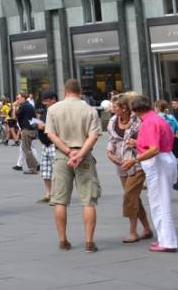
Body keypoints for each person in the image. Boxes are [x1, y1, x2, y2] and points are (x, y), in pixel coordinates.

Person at [45, 79, 102, 253]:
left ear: (65, 91)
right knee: (88, 200)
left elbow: (50, 134)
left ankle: (63, 240)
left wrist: (69, 152)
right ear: (80, 91)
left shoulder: (53, 109)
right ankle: (89, 242)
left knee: (60, 200)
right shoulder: (90, 110)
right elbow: (93, 136)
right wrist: (80, 153)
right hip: (84, 156)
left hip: (63, 156)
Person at [123, 95, 178, 253]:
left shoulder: (149, 122)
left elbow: (154, 149)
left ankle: (167, 241)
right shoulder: (157, 119)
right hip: (165, 159)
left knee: (160, 202)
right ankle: (164, 239)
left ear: (135, 110)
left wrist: (134, 160)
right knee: (160, 201)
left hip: (158, 162)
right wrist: (138, 143)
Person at [105, 93, 153, 243]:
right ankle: (146, 228)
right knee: (134, 197)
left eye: (115, 107)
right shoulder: (113, 121)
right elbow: (111, 139)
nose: (112, 110)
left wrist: (137, 142)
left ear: (125, 108)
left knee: (129, 195)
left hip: (137, 162)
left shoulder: (137, 120)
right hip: (121, 164)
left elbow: (147, 138)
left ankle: (133, 232)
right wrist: (109, 153)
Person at [35, 91, 58, 204]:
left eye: (46, 100)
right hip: (45, 144)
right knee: (45, 171)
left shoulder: (58, 110)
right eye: (43, 101)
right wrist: (38, 121)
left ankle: (55, 194)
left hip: (54, 144)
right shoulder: (45, 111)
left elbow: (58, 125)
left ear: (53, 99)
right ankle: (48, 193)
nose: (44, 103)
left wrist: (44, 126)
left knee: (56, 171)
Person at [14, 93, 39, 174]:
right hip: (31, 129)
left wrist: (14, 107)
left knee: (27, 149)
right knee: (27, 148)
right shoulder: (29, 105)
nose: (17, 100)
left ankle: (33, 168)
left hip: (26, 130)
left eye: (18, 98)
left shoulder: (23, 106)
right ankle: (35, 164)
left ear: (24, 98)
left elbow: (15, 116)